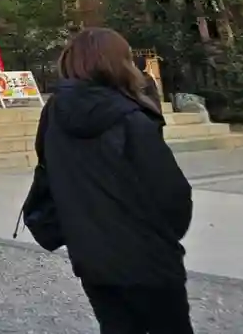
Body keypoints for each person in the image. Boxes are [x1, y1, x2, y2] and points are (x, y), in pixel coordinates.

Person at [21, 27, 194, 334]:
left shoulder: (53, 114)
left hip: (91, 254)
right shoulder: (130, 117)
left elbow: (49, 175)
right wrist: (166, 236)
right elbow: (171, 192)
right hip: (148, 255)